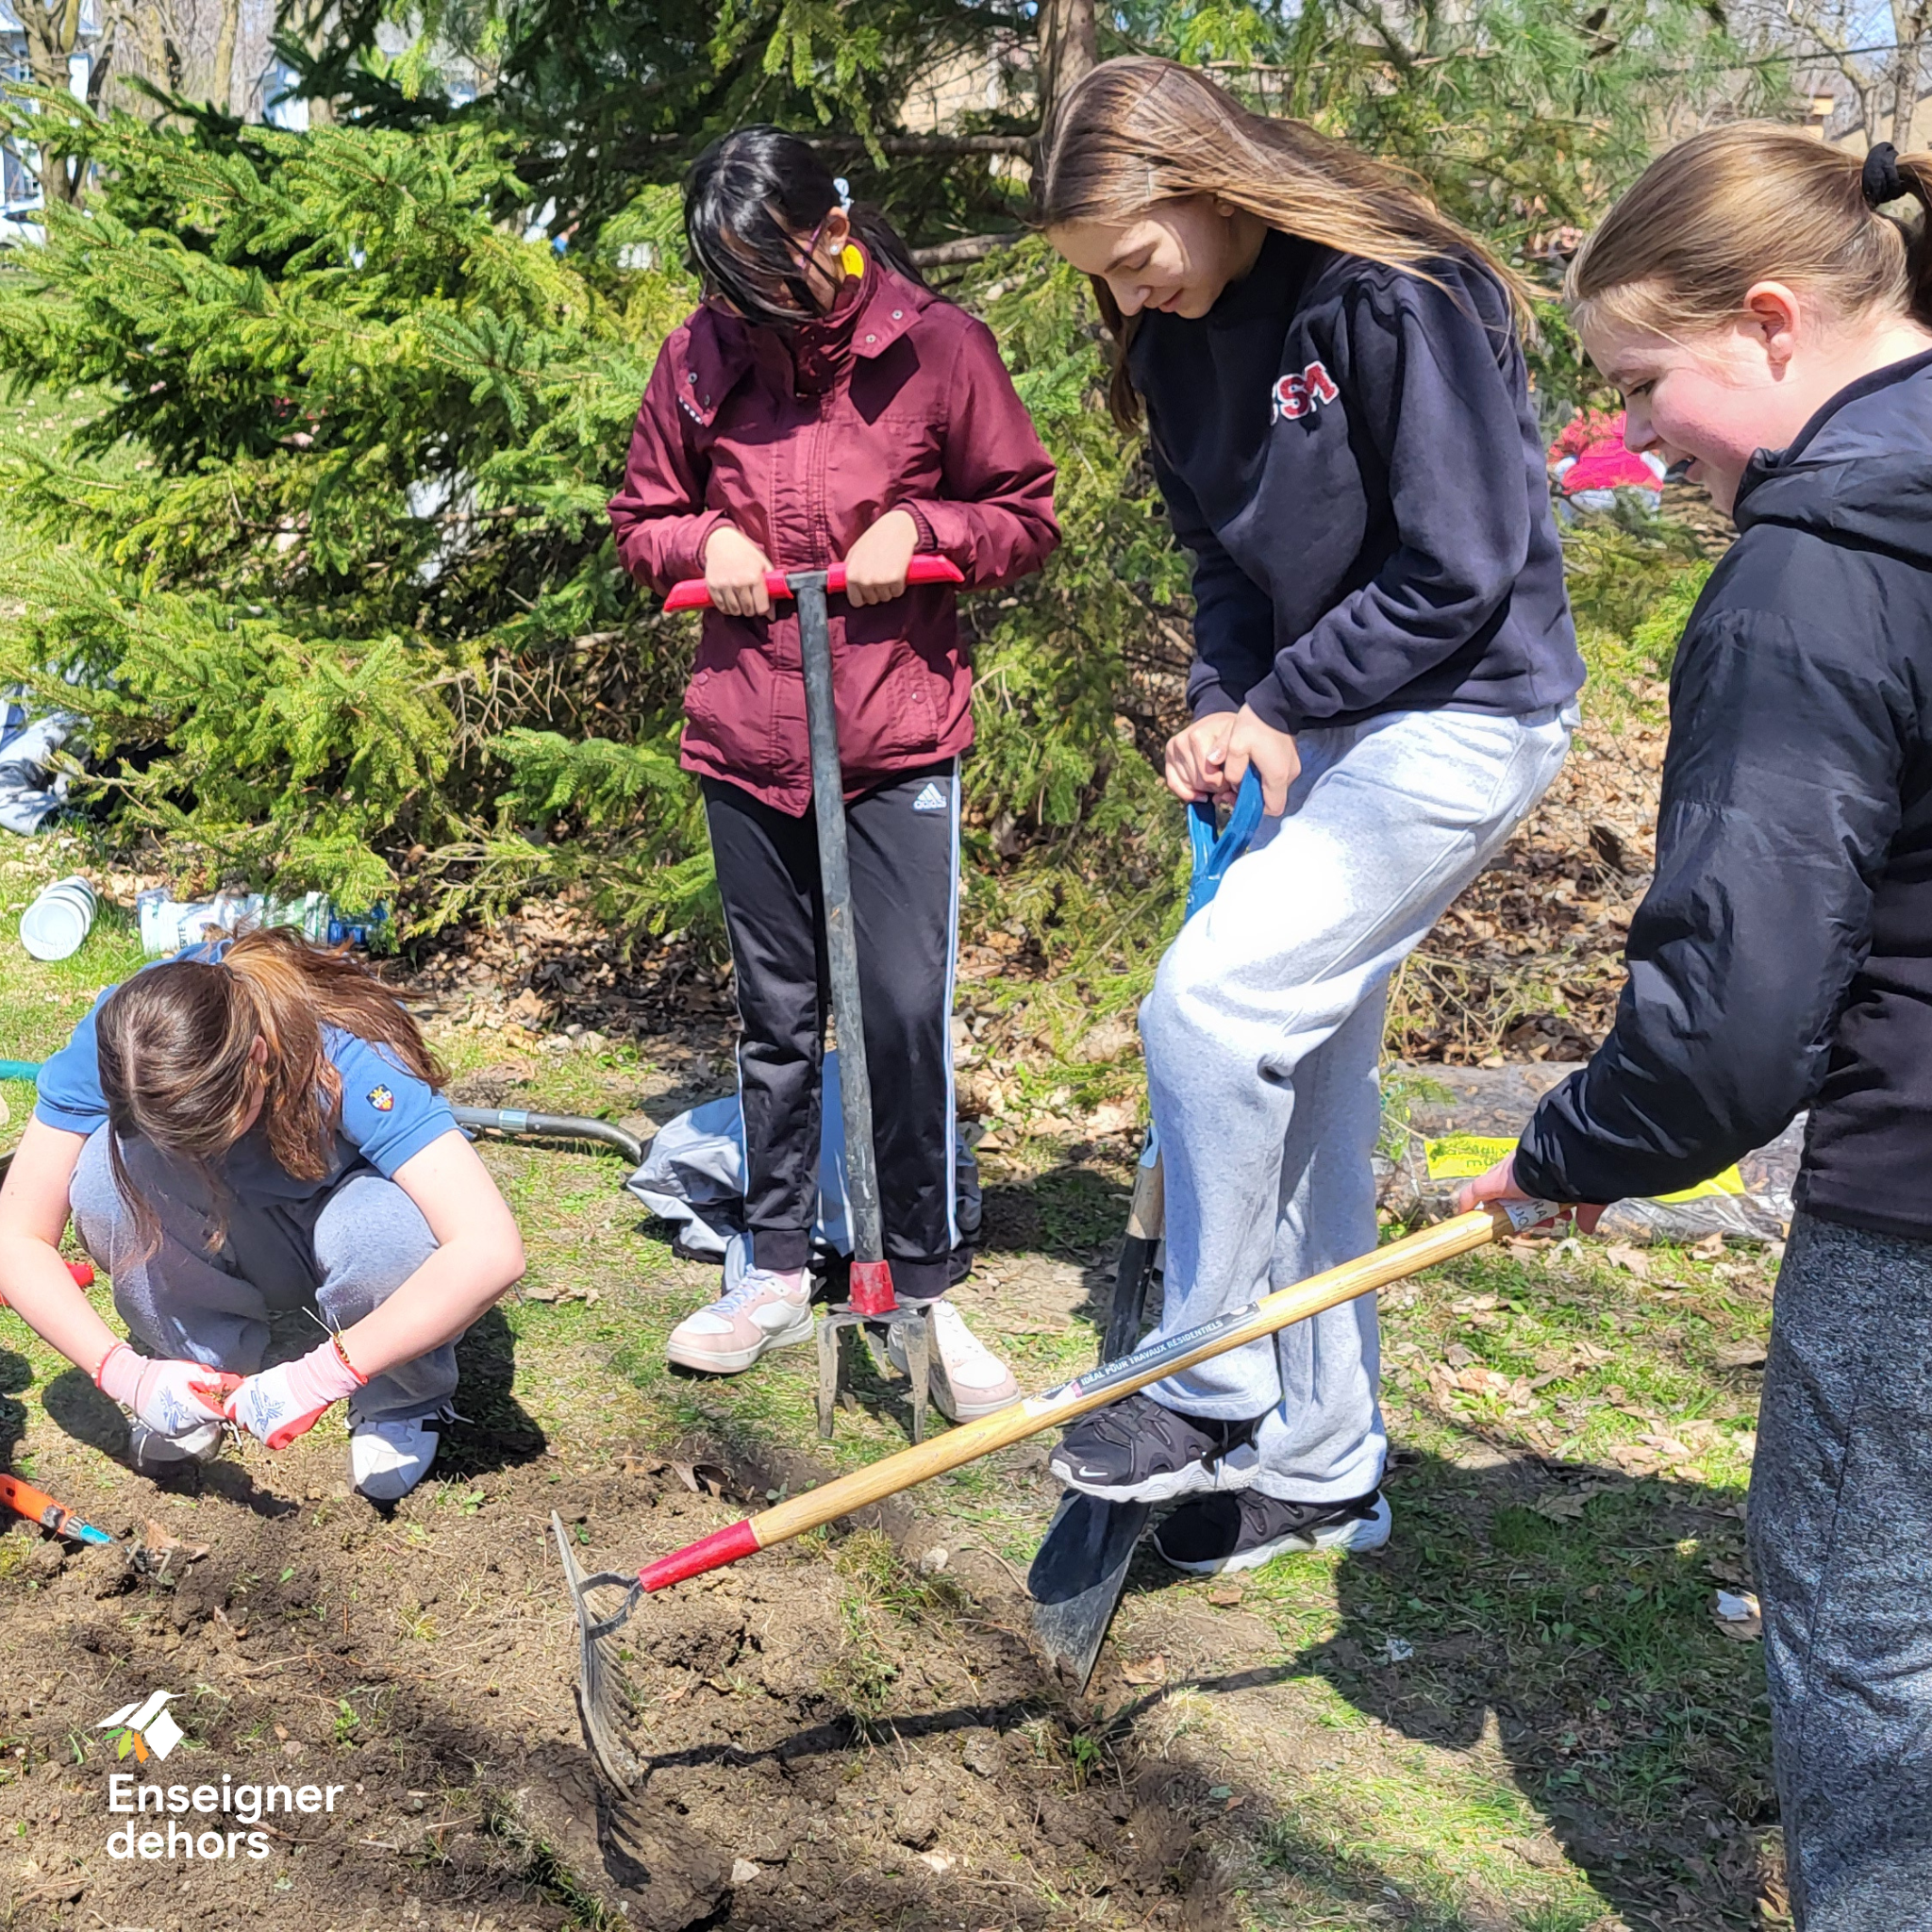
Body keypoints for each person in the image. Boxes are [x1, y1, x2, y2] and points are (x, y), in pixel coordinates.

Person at [1454, 125, 1932, 1930]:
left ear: (1768, 319)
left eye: (1644, 383)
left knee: (1871, 1645)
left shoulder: (1811, 574)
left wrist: (1573, 1145)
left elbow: (1733, 1024)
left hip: (1912, 1206)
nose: (1632, 437)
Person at [1037, 59, 1583, 1574]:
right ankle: (1328, 1467)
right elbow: (1226, 558)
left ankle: (1203, 1384)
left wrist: (1283, 702)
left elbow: (1461, 565)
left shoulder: (1393, 294)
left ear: (1207, 184)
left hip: (1467, 715)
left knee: (1209, 1013)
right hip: (1318, 723)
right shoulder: (1171, 343)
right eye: (1102, 282)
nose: (1134, 298)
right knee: (1311, 1113)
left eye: (1138, 256)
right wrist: (1225, 695)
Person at [608, 127, 1060, 1421]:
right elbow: (642, 521)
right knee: (779, 1017)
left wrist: (927, 529)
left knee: (903, 1013)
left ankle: (918, 1278)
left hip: (897, 736)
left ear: (828, 227)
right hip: (750, 735)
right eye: (725, 277)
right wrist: (710, 540)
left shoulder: (939, 348)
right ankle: (771, 1262)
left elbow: (1025, 512)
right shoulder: (697, 360)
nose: (744, 303)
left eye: (766, 269)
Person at [0, 927, 525, 1501]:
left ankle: (402, 1395)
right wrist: (126, 1373)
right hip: (226, 1222)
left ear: (257, 1059)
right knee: (105, 1178)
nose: (201, 1153)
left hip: (340, 1223)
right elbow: (16, 1234)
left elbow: (489, 1248)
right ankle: (197, 1373)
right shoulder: (121, 1048)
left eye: (215, 1132)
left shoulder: (345, 1048)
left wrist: (325, 1374)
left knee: (386, 1234)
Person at [1547, 405, 1668, 517]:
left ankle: (1566, 526)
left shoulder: (1582, 423)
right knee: (1650, 457)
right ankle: (1652, 521)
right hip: (1641, 488)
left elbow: (1558, 452)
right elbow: (1657, 452)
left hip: (1591, 492)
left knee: (1566, 463)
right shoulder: (1629, 419)